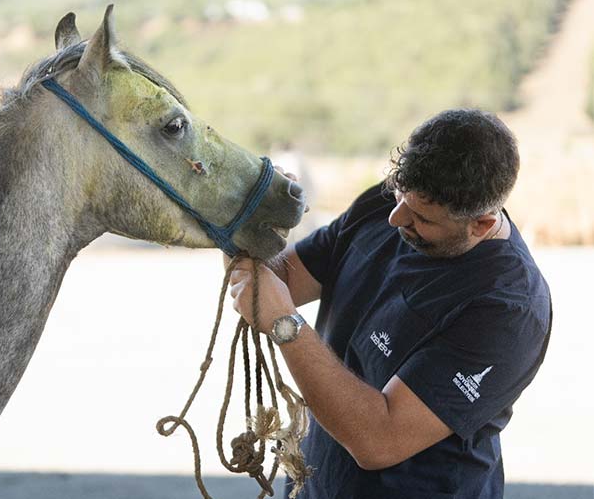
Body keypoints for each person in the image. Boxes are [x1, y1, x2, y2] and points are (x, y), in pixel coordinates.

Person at [228, 108, 551, 498]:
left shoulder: (508, 307)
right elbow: (273, 283)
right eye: (399, 196)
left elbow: (378, 440)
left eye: (422, 218)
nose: (397, 219)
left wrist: (286, 325)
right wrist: (247, 220)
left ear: (481, 224)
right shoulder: (384, 206)